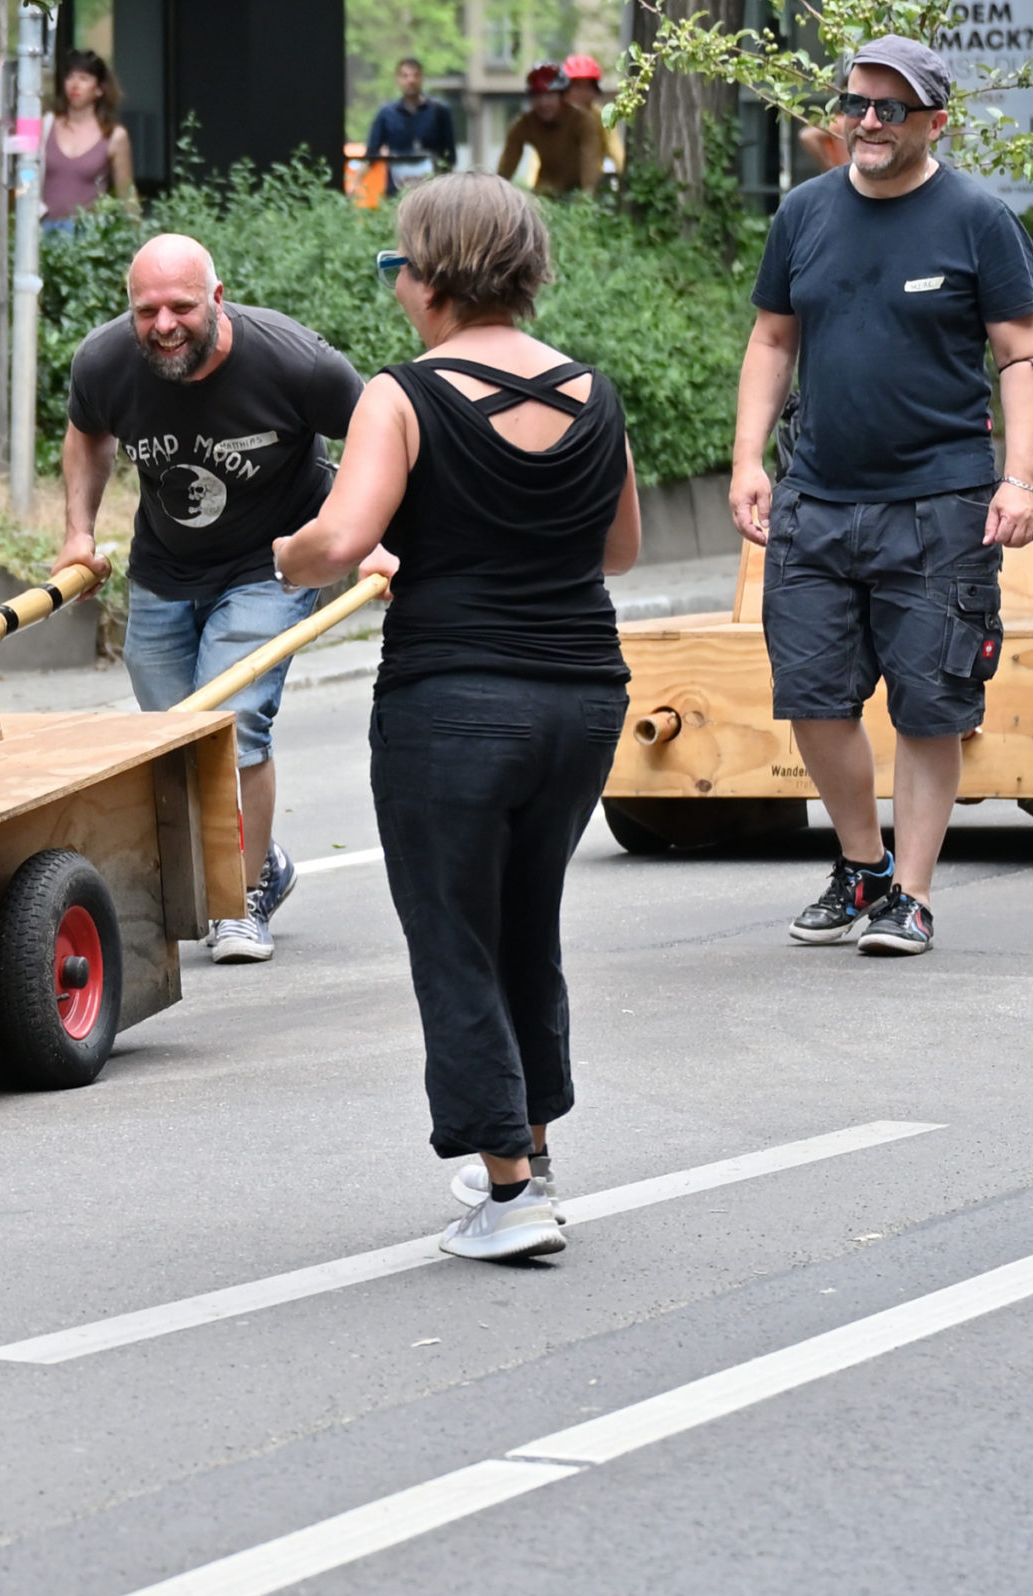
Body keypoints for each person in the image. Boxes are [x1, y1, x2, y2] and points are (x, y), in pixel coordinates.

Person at [275, 172, 641, 1262]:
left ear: (432, 279)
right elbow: (616, 551)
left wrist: (282, 551)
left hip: (453, 700)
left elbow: (339, 542)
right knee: (526, 922)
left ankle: (510, 1188)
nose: (399, 289)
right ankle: (525, 1143)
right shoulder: (593, 391)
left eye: (400, 267)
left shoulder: (401, 395)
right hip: (583, 694)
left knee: (453, 932)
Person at [732, 36, 1033, 956]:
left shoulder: (978, 219)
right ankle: (862, 864)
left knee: (929, 702)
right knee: (813, 697)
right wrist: (749, 459)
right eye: (855, 103)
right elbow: (772, 341)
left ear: (933, 122)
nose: (867, 121)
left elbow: (1021, 357)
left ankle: (911, 893)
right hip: (815, 498)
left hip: (942, 503)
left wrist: (1019, 479)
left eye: (890, 109)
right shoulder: (804, 213)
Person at [58, 233, 370, 963]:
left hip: (275, 562)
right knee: (171, 739)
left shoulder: (293, 360)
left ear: (217, 300)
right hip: (165, 567)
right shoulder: (106, 362)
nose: (163, 325)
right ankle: (264, 860)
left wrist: (370, 535)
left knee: (233, 724)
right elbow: (87, 435)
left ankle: (241, 899)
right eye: (147, 310)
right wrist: (78, 532)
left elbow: (376, 434)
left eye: (181, 307)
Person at [42, 49, 134, 226]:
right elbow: (26, 174)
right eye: (70, 77)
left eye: (83, 78)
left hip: (89, 233)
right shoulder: (45, 125)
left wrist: (133, 236)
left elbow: (126, 192)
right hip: (45, 227)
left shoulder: (114, 135)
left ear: (99, 89)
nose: (75, 85)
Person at [498, 63, 605, 196]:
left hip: (578, 190)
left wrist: (587, 195)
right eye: (537, 96)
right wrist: (497, 192)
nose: (543, 103)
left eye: (549, 96)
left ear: (563, 96)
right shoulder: (524, 124)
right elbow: (507, 165)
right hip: (545, 190)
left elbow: (590, 160)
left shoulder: (582, 120)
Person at [364, 56, 457, 188]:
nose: (411, 80)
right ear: (398, 79)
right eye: (405, 76)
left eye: (415, 75)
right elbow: (371, 155)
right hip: (396, 189)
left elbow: (449, 156)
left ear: (422, 78)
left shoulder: (439, 111)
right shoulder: (386, 113)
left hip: (431, 188)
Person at [561, 53, 622, 181]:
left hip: (591, 187)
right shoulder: (556, 116)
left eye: (588, 87)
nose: (583, 93)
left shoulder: (602, 117)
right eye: (577, 86)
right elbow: (538, 160)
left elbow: (616, 152)